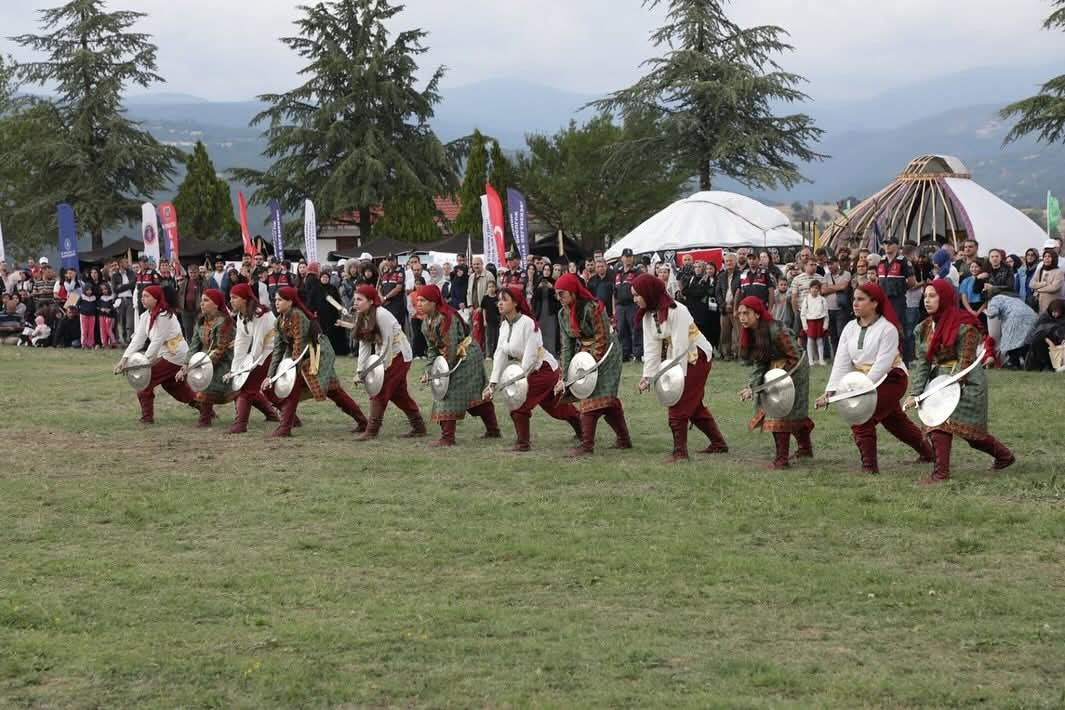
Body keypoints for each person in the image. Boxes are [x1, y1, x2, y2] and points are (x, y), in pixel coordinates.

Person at [815, 283, 934, 474]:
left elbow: (882, 365)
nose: (855, 303)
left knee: (861, 415)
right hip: (865, 381)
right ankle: (929, 453)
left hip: (892, 378)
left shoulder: (887, 329)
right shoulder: (849, 328)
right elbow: (841, 362)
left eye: (861, 299)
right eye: (854, 299)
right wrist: (831, 390)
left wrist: (861, 391)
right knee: (896, 422)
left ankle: (869, 467)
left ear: (875, 303)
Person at [906, 281, 1014, 483]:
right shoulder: (924, 328)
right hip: (938, 380)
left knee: (970, 434)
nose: (927, 300)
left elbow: (965, 362)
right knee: (937, 423)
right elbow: (923, 362)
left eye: (932, 296)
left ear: (945, 297)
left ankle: (1002, 457)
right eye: (925, 296)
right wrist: (916, 392)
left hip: (966, 382)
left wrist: (946, 389)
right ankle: (944, 472)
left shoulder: (965, 325)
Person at [633, 274, 725, 462]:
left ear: (648, 293)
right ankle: (718, 443)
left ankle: (680, 452)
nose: (634, 299)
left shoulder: (677, 310)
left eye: (637, 295)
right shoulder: (647, 316)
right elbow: (651, 348)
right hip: (678, 358)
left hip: (695, 356)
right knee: (695, 406)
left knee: (678, 402)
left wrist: (676, 381)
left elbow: (681, 347)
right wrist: (648, 377)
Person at [484, 286, 582, 451]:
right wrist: (492, 383)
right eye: (498, 301)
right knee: (555, 407)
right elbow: (500, 354)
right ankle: (583, 429)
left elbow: (530, 358)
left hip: (542, 369)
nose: (499, 303)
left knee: (519, 402)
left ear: (515, 303)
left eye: (504, 300)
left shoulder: (528, 324)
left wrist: (518, 382)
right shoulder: (504, 326)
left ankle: (523, 443)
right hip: (529, 370)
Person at [262, 286, 368, 437]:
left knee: (335, 392)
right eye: (275, 300)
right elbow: (278, 350)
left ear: (290, 302)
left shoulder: (298, 316)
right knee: (280, 388)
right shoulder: (279, 321)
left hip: (316, 357)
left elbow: (300, 345)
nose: (276, 303)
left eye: (280, 300)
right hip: (298, 360)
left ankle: (363, 422)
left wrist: (290, 370)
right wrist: (270, 375)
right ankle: (288, 423)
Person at [554, 273, 631, 456]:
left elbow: (602, 337)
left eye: (562, 294)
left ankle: (586, 445)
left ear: (573, 293)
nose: (559, 298)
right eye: (556, 294)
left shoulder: (593, 307)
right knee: (607, 400)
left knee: (591, 396)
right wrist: (564, 376)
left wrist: (590, 365)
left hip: (607, 353)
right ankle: (624, 440)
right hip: (586, 354)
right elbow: (566, 345)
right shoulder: (562, 314)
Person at [416, 284, 500, 446]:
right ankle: (492, 430)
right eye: (418, 300)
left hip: (467, 356)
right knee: (470, 395)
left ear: (433, 302)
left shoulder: (446, 318)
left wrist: (439, 375)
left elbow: (451, 348)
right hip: (452, 357)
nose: (418, 303)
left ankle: (448, 437)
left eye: (423, 300)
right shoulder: (426, 322)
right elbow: (433, 349)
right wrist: (429, 371)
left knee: (450, 393)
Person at [736, 295, 814, 468]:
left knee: (781, 412)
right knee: (783, 410)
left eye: (746, 313)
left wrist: (779, 380)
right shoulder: (753, 333)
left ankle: (781, 460)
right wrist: (751, 387)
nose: (742, 317)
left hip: (796, 370)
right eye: (740, 314)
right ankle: (805, 449)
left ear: (757, 314)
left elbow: (795, 355)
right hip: (775, 371)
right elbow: (759, 364)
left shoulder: (777, 329)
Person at [341, 284, 426, 440]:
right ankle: (419, 426)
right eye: (355, 300)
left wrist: (381, 369)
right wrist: (360, 371)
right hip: (387, 354)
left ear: (371, 301)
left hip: (399, 355)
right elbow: (364, 345)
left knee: (379, 389)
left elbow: (387, 344)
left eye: (360, 299)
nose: (356, 303)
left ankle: (371, 430)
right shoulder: (363, 315)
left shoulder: (382, 315)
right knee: (400, 395)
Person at [114, 285, 198, 423]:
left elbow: (157, 342)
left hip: (175, 356)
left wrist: (144, 363)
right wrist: (123, 360)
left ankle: (147, 418)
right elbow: (138, 340)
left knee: (143, 381)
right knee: (175, 388)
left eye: (147, 296)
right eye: (142, 296)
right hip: (164, 355)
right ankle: (205, 409)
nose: (143, 299)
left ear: (156, 299)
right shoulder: (145, 316)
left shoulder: (165, 316)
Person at [222, 283, 283, 434]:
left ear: (244, 299)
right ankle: (291, 418)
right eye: (230, 297)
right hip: (262, 352)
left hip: (271, 352)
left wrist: (246, 370)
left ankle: (240, 425)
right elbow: (241, 345)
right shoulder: (242, 315)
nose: (231, 301)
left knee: (246, 387)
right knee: (266, 391)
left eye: (235, 298)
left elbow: (258, 345)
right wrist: (235, 370)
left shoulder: (260, 314)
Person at [177, 288, 236, 428]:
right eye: (201, 300)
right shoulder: (201, 321)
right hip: (205, 360)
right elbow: (194, 345)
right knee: (200, 382)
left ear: (216, 304)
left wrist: (203, 367)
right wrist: (186, 364)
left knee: (207, 385)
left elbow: (220, 349)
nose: (202, 303)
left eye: (206, 300)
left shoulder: (223, 322)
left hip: (226, 361)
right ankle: (206, 418)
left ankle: (205, 420)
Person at [985, 294, 1038, 368]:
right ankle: (1029, 363)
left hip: (1014, 318)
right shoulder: (1015, 299)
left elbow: (993, 313)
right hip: (1033, 317)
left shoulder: (995, 298)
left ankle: (1014, 363)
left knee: (1010, 341)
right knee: (1026, 342)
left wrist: (987, 312)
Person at [612, 248, 644, 362]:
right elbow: (613, 292)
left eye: (630, 256)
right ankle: (624, 354)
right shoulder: (617, 272)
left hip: (632, 305)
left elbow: (642, 289)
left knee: (635, 329)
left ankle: (638, 354)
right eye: (626, 256)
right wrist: (614, 309)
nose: (628, 259)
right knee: (621, 330)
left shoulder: (637, 272)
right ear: (622, 258)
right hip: (620, 305)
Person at [714, 253, 742, 360]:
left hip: (737, 309)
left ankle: (739, 354)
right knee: (725, 333)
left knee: (739, 333)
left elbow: (741, 291)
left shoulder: (741, 275)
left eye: (731, 261)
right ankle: (726, 354)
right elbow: (717, 293)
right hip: (724, 309)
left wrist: (734, 305)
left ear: (735, 262)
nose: (729, 263)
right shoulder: (721, 276)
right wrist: (723, 305)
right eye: (727, 261)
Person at [1024, 299, 1065, 371]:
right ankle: (1045, 365)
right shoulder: (1044, 318)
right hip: (1042, 342)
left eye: (1057, 312)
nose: (1054, 314)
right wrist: (1048, 341)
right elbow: (1038, 332)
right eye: (1053, 312)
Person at [799, 279, 829, 366]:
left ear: (819, 290)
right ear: (809, 289)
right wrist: (805, 326)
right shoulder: (806, 300)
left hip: (820, 322)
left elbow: (826, 314)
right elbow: (803, 314)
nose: (814, 290)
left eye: (817, 288)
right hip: (810, 322)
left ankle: (821, 359)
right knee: (810, 341)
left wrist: (825, 325)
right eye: (813, 288)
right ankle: (811, 360)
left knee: (820, 341)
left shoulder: (822, 300)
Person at [1029, 249, 1064, 314]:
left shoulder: (1059, 272)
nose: (1047, 258)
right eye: (1045, 256)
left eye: (1049, 256)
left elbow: (1054, 287)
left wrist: (1038, 290)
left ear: (1054, 258)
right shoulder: (1040, 270)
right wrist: (1043, 284)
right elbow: (1031, 284)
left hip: (1052, 305)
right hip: (1038, 304)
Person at [480, 279, 501, 357]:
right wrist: (484, 320)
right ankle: (488, 354)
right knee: (488, 338)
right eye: (489, 287)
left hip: (497, 320)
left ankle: (495, 353)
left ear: (495, 288)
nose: (491, 288)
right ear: (487, 288)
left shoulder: (498, 298)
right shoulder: (485, 298)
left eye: (493, 287)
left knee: (496, 337)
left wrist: (501, 320)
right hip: (488, 321)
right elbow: (484, 310)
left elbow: (501, 311)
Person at [75, 283, 99, 350]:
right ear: (85, 290)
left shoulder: (94, 298)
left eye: (90, 290)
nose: (89, 292)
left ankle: (90, 344)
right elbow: (77, 305)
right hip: (83, 315)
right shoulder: (82, 297)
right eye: (87, 290)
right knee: (84, 330)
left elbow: (96, 306)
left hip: (92, 316)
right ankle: (83, 344)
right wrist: (80, 310)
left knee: (91, 330)